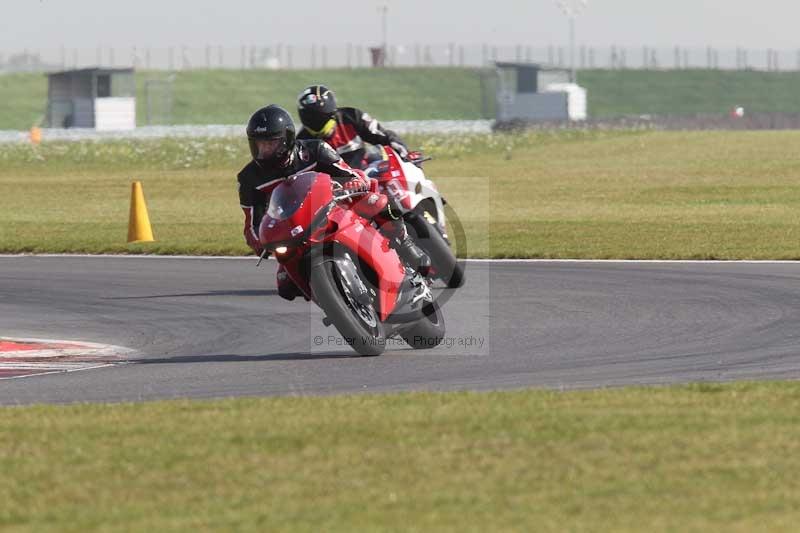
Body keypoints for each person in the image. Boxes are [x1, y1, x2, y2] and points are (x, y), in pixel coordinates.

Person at [237, 104, 429, 301]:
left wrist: (353, 183)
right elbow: (252, 223)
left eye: (271, 144)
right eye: (259, 144)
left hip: (335, 204)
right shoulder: (249, 178)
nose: (265, 150)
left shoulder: (314, 149)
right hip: (296, 229)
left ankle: (404, 242)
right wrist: (260, 242)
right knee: (286, 287)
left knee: (379, 202)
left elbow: (347, 173)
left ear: (287, 139)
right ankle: (335, 301)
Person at [296, 85, 409, 169]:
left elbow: (383, 136)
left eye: (318, 116)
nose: (315, 121)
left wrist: (405, 155)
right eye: (311, 117)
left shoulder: (352, 116)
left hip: (366, 172)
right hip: (334, 188)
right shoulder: (302, 141)